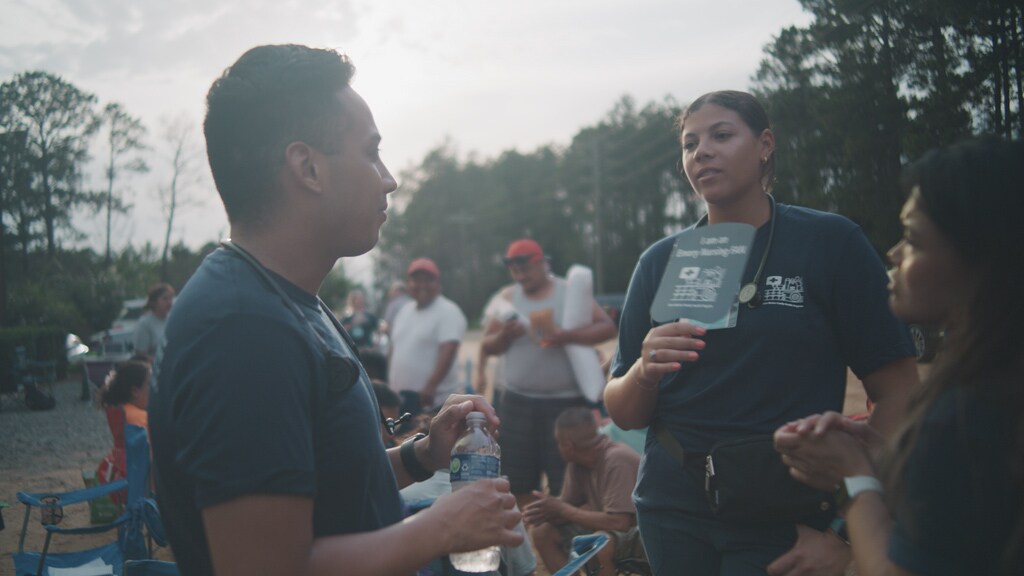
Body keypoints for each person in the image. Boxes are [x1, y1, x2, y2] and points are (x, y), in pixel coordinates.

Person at [148, 44, 521, 576]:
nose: (388, 177)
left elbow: (323, 487)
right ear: (308, 167)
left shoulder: (283, 300)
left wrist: (422, 455)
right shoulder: (241, 329)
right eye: (371, 152)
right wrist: (442, 526)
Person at [602, 90, 919, 576]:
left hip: (787, 518)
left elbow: (898, 395)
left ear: (765, 144)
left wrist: (845, 527)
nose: (701, 151)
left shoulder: (830, 243)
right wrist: (644, 371)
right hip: (672, 511)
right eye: (690, 144)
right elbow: (622, 407)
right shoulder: (660, 261)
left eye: (721, 135)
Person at [774, 136, 1024, 576]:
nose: (893, 253)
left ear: (987, 255)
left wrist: (852, 477)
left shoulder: (967, 414)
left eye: (913, 238)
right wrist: (883, 455)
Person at [481, 239, 617, 510]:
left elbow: (607, 327)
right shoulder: (507, 297)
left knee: (568, 481)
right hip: (518, 401)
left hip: (565, 403)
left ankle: (563, 539)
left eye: (526, 266)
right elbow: (487, 345)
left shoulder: (569, 292)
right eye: (514, 268)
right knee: (516, 480)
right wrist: (505, 336)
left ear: (543, 263)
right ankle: (527, 541)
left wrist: (567, 336)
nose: (520, 274)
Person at [524, 407, 643, 576]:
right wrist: (543, 510)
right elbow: (567, 507)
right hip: (612, 531)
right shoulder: (578, 463)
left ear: (568, 446)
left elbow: (620, 523)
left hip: (646, 535)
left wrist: (562, 509)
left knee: (597, 543)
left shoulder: (616, 460)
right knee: (543, 531)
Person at [388, 257, 467, 416]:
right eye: (416, 280)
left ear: (438, 284)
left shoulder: (448, 311)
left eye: (428, 280)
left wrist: (430, 387)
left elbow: (448, 350)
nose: (422, 285)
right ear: (408, 284)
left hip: (432, 404)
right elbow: (394, 348)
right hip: (401, 401)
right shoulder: (404, 311)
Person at [95, 358, 151, 502]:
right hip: (139, 480)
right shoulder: (138, 416)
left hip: (115, 473)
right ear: (135, 391)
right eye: (150, 385)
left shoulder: (116, 409)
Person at [132, 282, 174, 360]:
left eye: (171, 298)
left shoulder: (172, 320)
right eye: (165, 298)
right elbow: (140, 354)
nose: (169, 302)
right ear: (154, 302)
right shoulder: (145, 324)